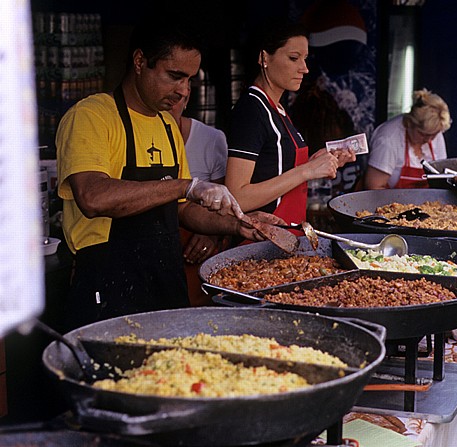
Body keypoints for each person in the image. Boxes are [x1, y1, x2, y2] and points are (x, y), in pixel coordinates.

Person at [56, 13, 283, 331]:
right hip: (107, 292)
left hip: (164, 286)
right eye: (174, 76)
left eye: (189, 79)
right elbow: (93, 196)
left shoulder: (166, 124)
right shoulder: (91, 116)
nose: (183, 90)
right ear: (139, 61)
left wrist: (239, 222)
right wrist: (185, 186)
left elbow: (184, 210)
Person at [225, 18, 355, 226]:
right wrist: (306, 171)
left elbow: (273, 170)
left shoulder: (277, 108)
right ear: (264, 57)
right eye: (294, 58)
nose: (304, 69)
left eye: (305, 59)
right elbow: (237, 196)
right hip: (259, 241)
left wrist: (316, 163)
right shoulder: (251, 110)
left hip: (285, 233)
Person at [169, 89, 229, 306]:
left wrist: (212, 235)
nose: (168, 106)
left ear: (186, 99)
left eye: (176, 99)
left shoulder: (211, 139)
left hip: (195, 248)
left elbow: (225, 203)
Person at [364, 89, 451, 189]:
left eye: (434, 135)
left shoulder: (433, 130)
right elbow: (374, 187)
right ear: (410, 123)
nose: (429, 140)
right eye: (423, 134)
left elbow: (440, 177)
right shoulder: (387, 139)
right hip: (390, 202)